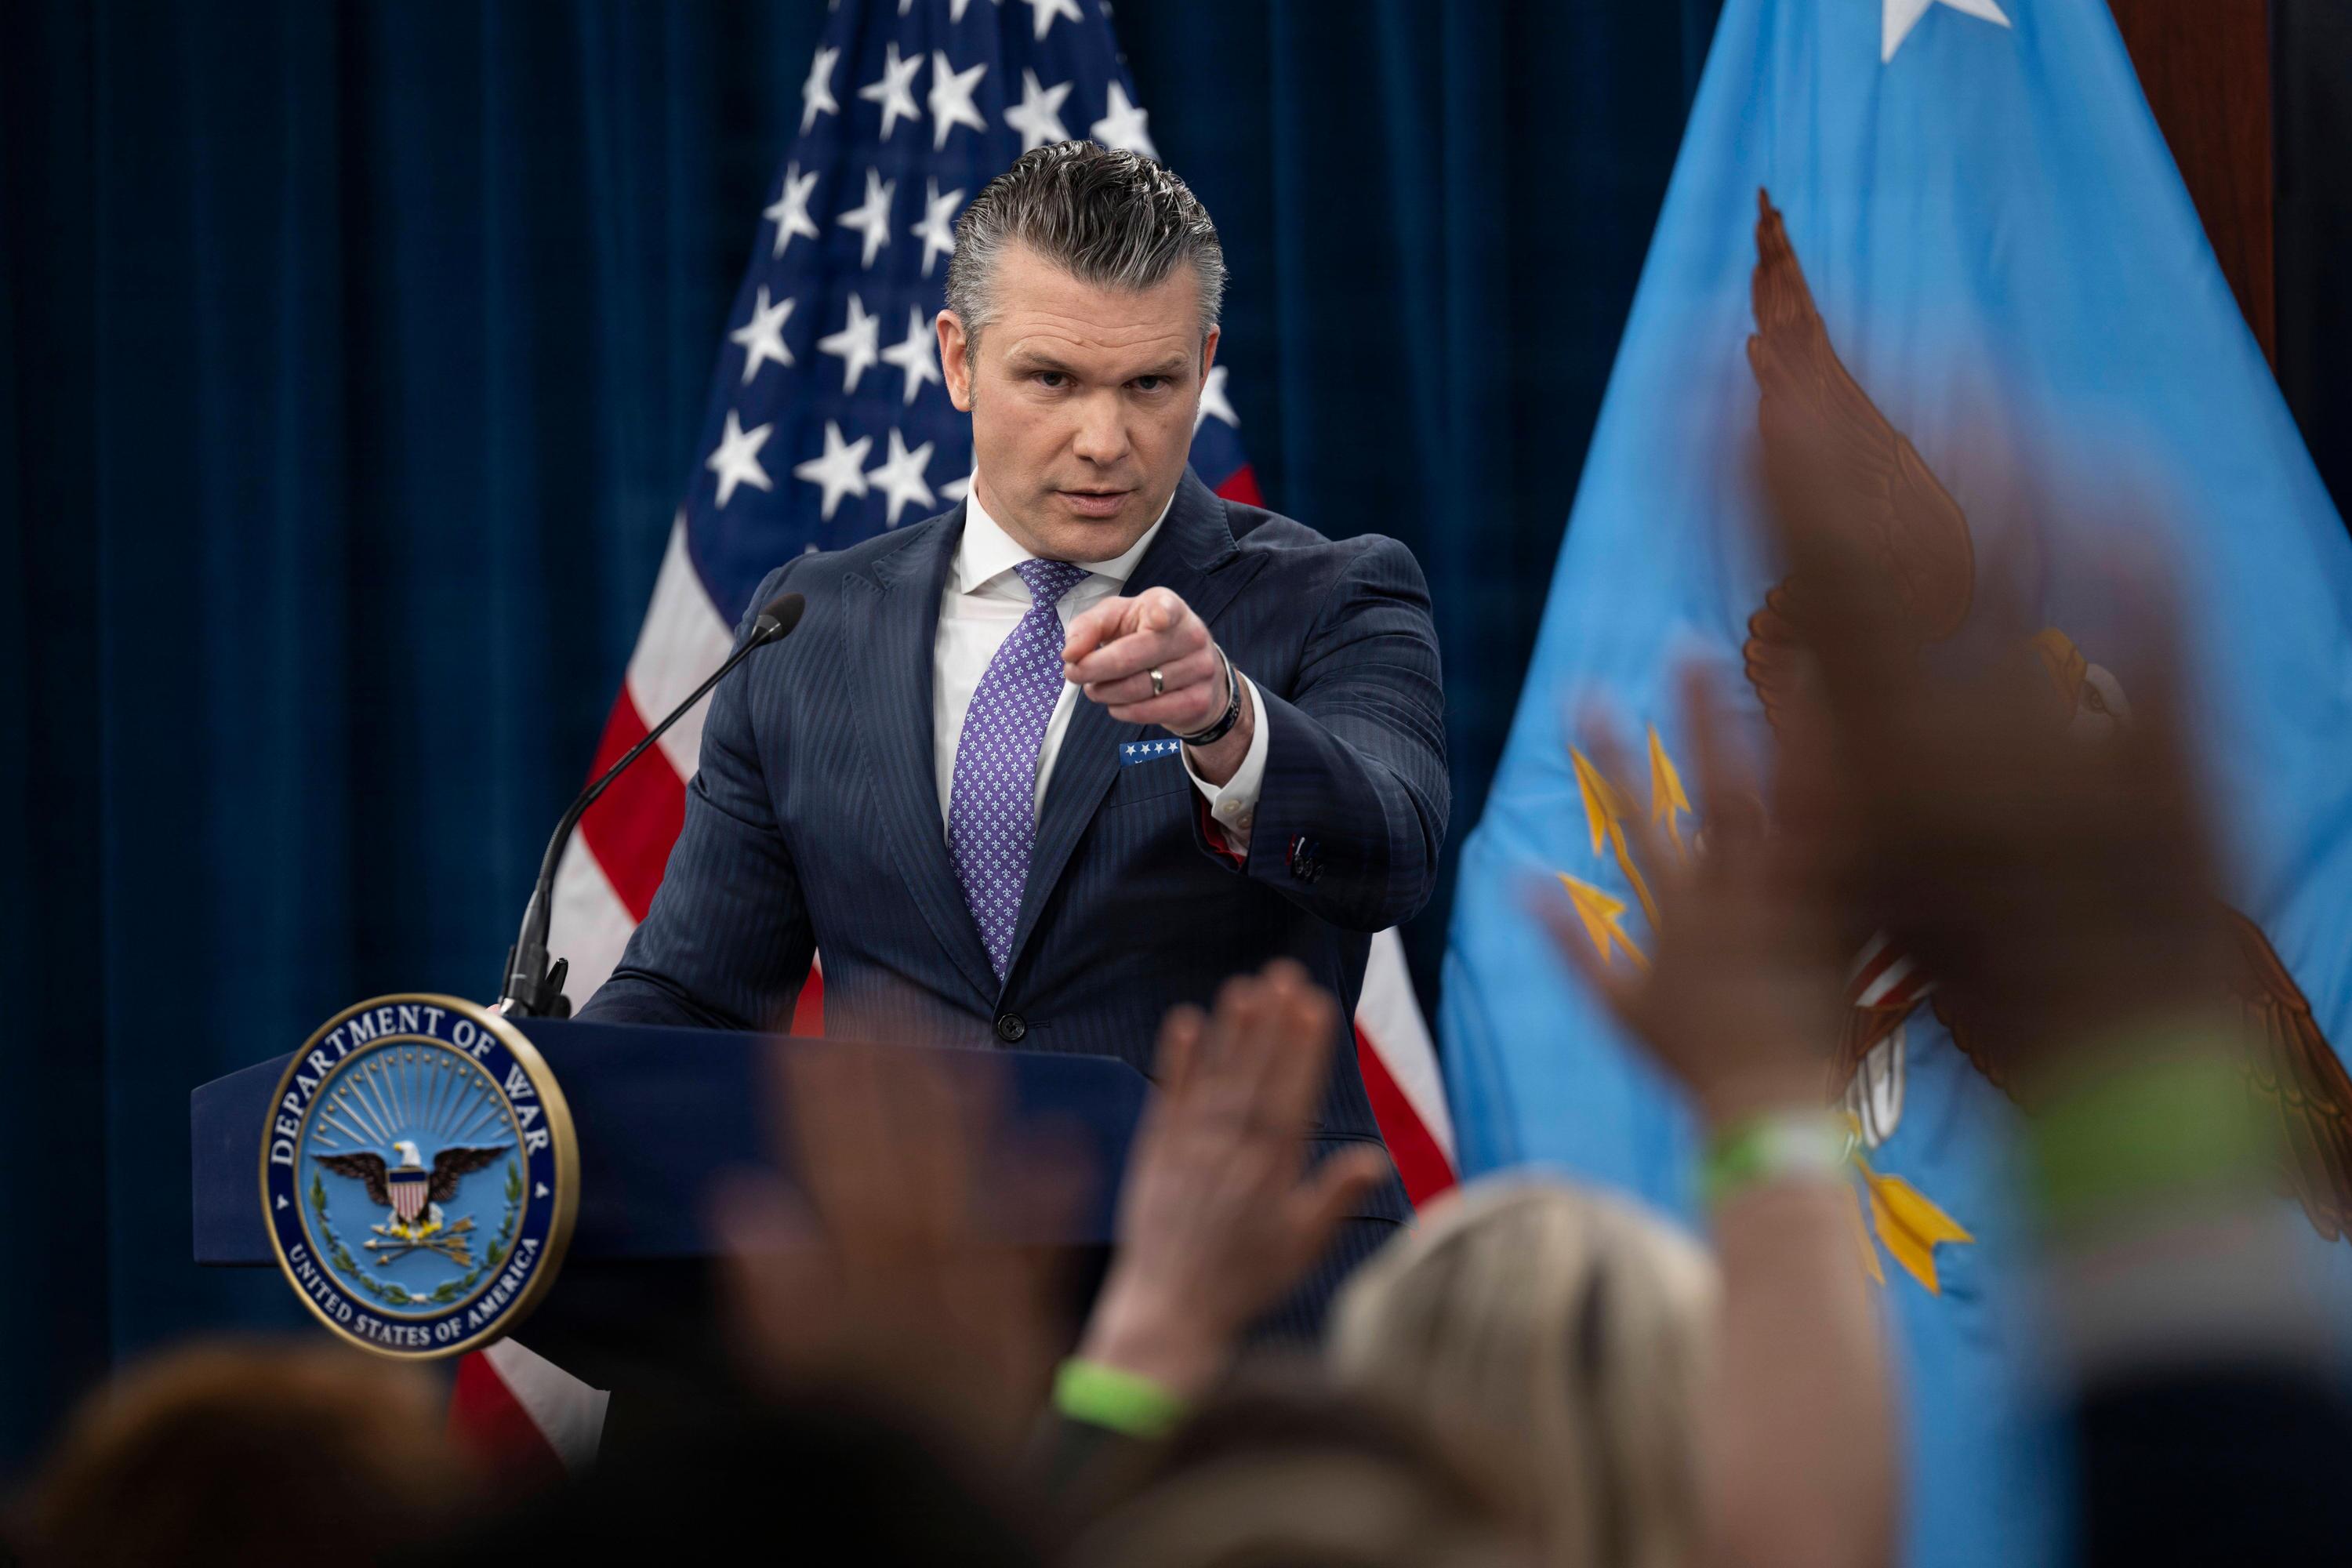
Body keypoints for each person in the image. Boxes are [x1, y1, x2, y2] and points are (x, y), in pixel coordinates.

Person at [579, 140, 1447, 1324]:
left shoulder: (1334, 595)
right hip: (917, 1330)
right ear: (958, 359)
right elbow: (697, 998)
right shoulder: (806, 623)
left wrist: (1229, 722)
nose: (1105, 440)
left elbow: (1393, 851)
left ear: (1205, 367)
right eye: (1052, 379)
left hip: (1241, 1313)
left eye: (1150, 386)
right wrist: (528, 1097)